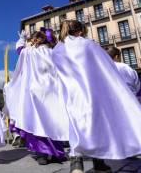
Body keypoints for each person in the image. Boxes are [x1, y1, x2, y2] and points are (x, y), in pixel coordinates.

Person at [52, 20, 141, 173]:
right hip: (91, 93)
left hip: (69, 94)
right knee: (96, 126)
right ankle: (98, 162)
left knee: (75, 125)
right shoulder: (88, 45)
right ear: (80, 31)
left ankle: (76, 164)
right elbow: (107, 67)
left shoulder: (57, 50)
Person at [5, 29, 68, 165]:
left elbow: (19, 50)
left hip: (34, 92)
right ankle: (57, 153)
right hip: (52, 92)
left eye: (33, 39)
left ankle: (42, 155)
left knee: (38, 123)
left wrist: (22, 38)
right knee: (54, 122)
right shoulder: (53, 52)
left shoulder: (29, 52)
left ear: (36, 40)